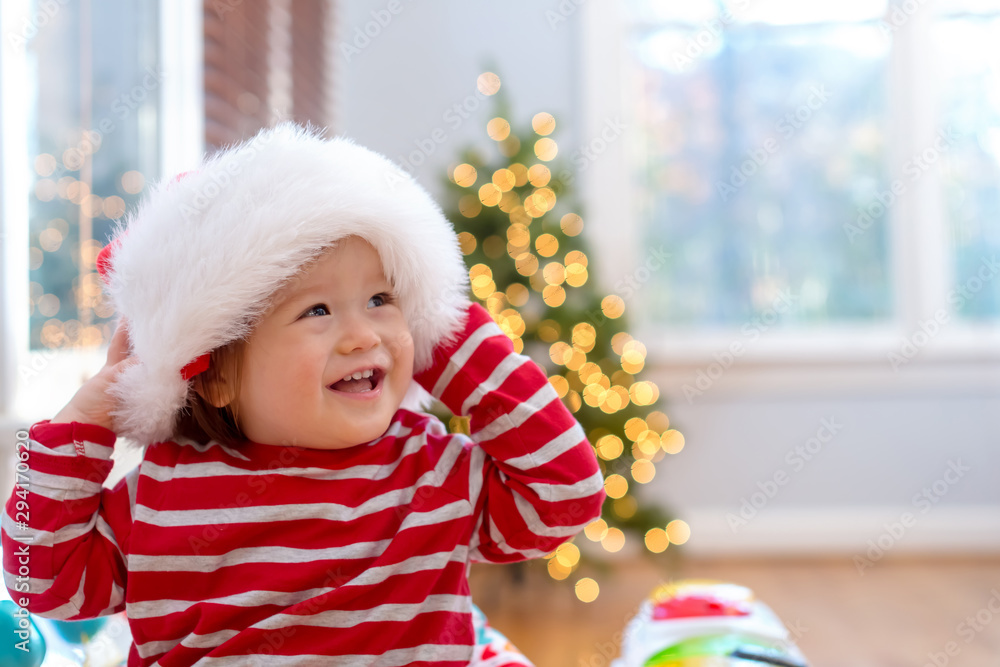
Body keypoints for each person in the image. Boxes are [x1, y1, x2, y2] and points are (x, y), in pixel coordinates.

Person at [1, 123, 606, 666]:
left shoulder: (431, 471)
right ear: (213, 374)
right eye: (316, 310)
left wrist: (447, 333)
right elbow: (40, 579)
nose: (363, 335)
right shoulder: (165, 494)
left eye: (383, 299)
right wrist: (83, 421)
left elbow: (564, 497)